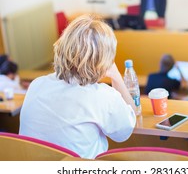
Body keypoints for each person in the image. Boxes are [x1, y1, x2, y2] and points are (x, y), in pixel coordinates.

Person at [19, 15, 136, 159]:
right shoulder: (103, 97)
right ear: (103, 61)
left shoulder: (37, 84)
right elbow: (125, 131)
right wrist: (116, 76)